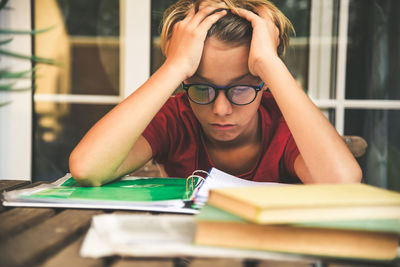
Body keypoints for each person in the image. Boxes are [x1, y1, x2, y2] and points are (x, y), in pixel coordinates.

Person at [69, 0, 362, 186]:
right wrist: (175, 66)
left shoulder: (287, 126)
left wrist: (270, 62)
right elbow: (87, 168)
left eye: (243, 87)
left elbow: (343, 184)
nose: (221, 109)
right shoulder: (177, 117)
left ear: (266, 81)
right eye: (200, 86)